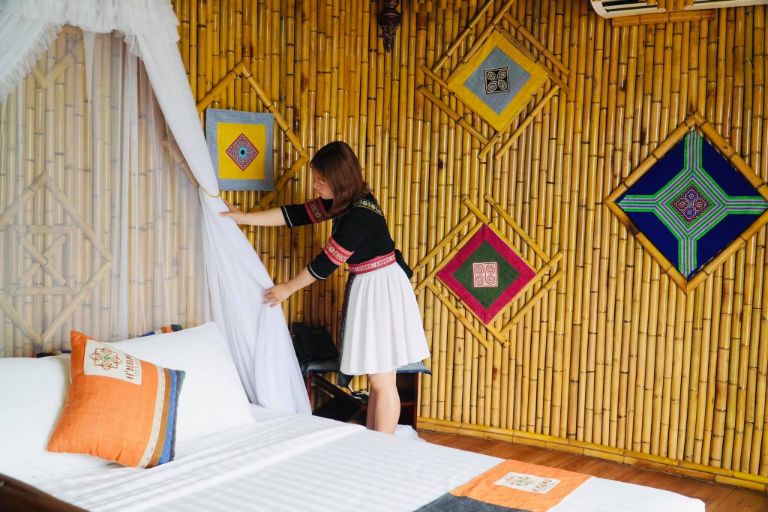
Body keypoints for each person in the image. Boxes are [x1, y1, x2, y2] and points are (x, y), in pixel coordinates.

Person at [220, 141, 430, 434]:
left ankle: (383, 447)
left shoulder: (360, 215)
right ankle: (376, 441)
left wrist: (287, 288)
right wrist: (243, 217)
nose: (315, 185)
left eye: (321, 179)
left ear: (339, 179)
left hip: (381, 290)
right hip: (373, 285)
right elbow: (295, 215)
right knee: (379, 379)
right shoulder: (345, 202)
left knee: (382, 380)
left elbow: (326, 263)